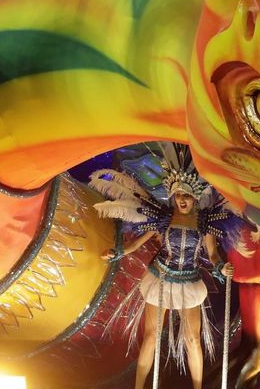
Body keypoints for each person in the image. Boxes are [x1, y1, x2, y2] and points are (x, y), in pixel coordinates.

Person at [90, 143, 239, 389]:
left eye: (187, 195)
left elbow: (212, 255)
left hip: (189, 282)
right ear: (172, 194)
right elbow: (137, 244)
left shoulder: (205, 222)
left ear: (195, 196)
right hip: (160, 277)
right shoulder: (162, 218)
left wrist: (221, 268)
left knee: (192, 340)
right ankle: (139, 386)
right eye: (178, 195)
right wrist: (117, 252)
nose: (182, 199)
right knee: (151, 336)